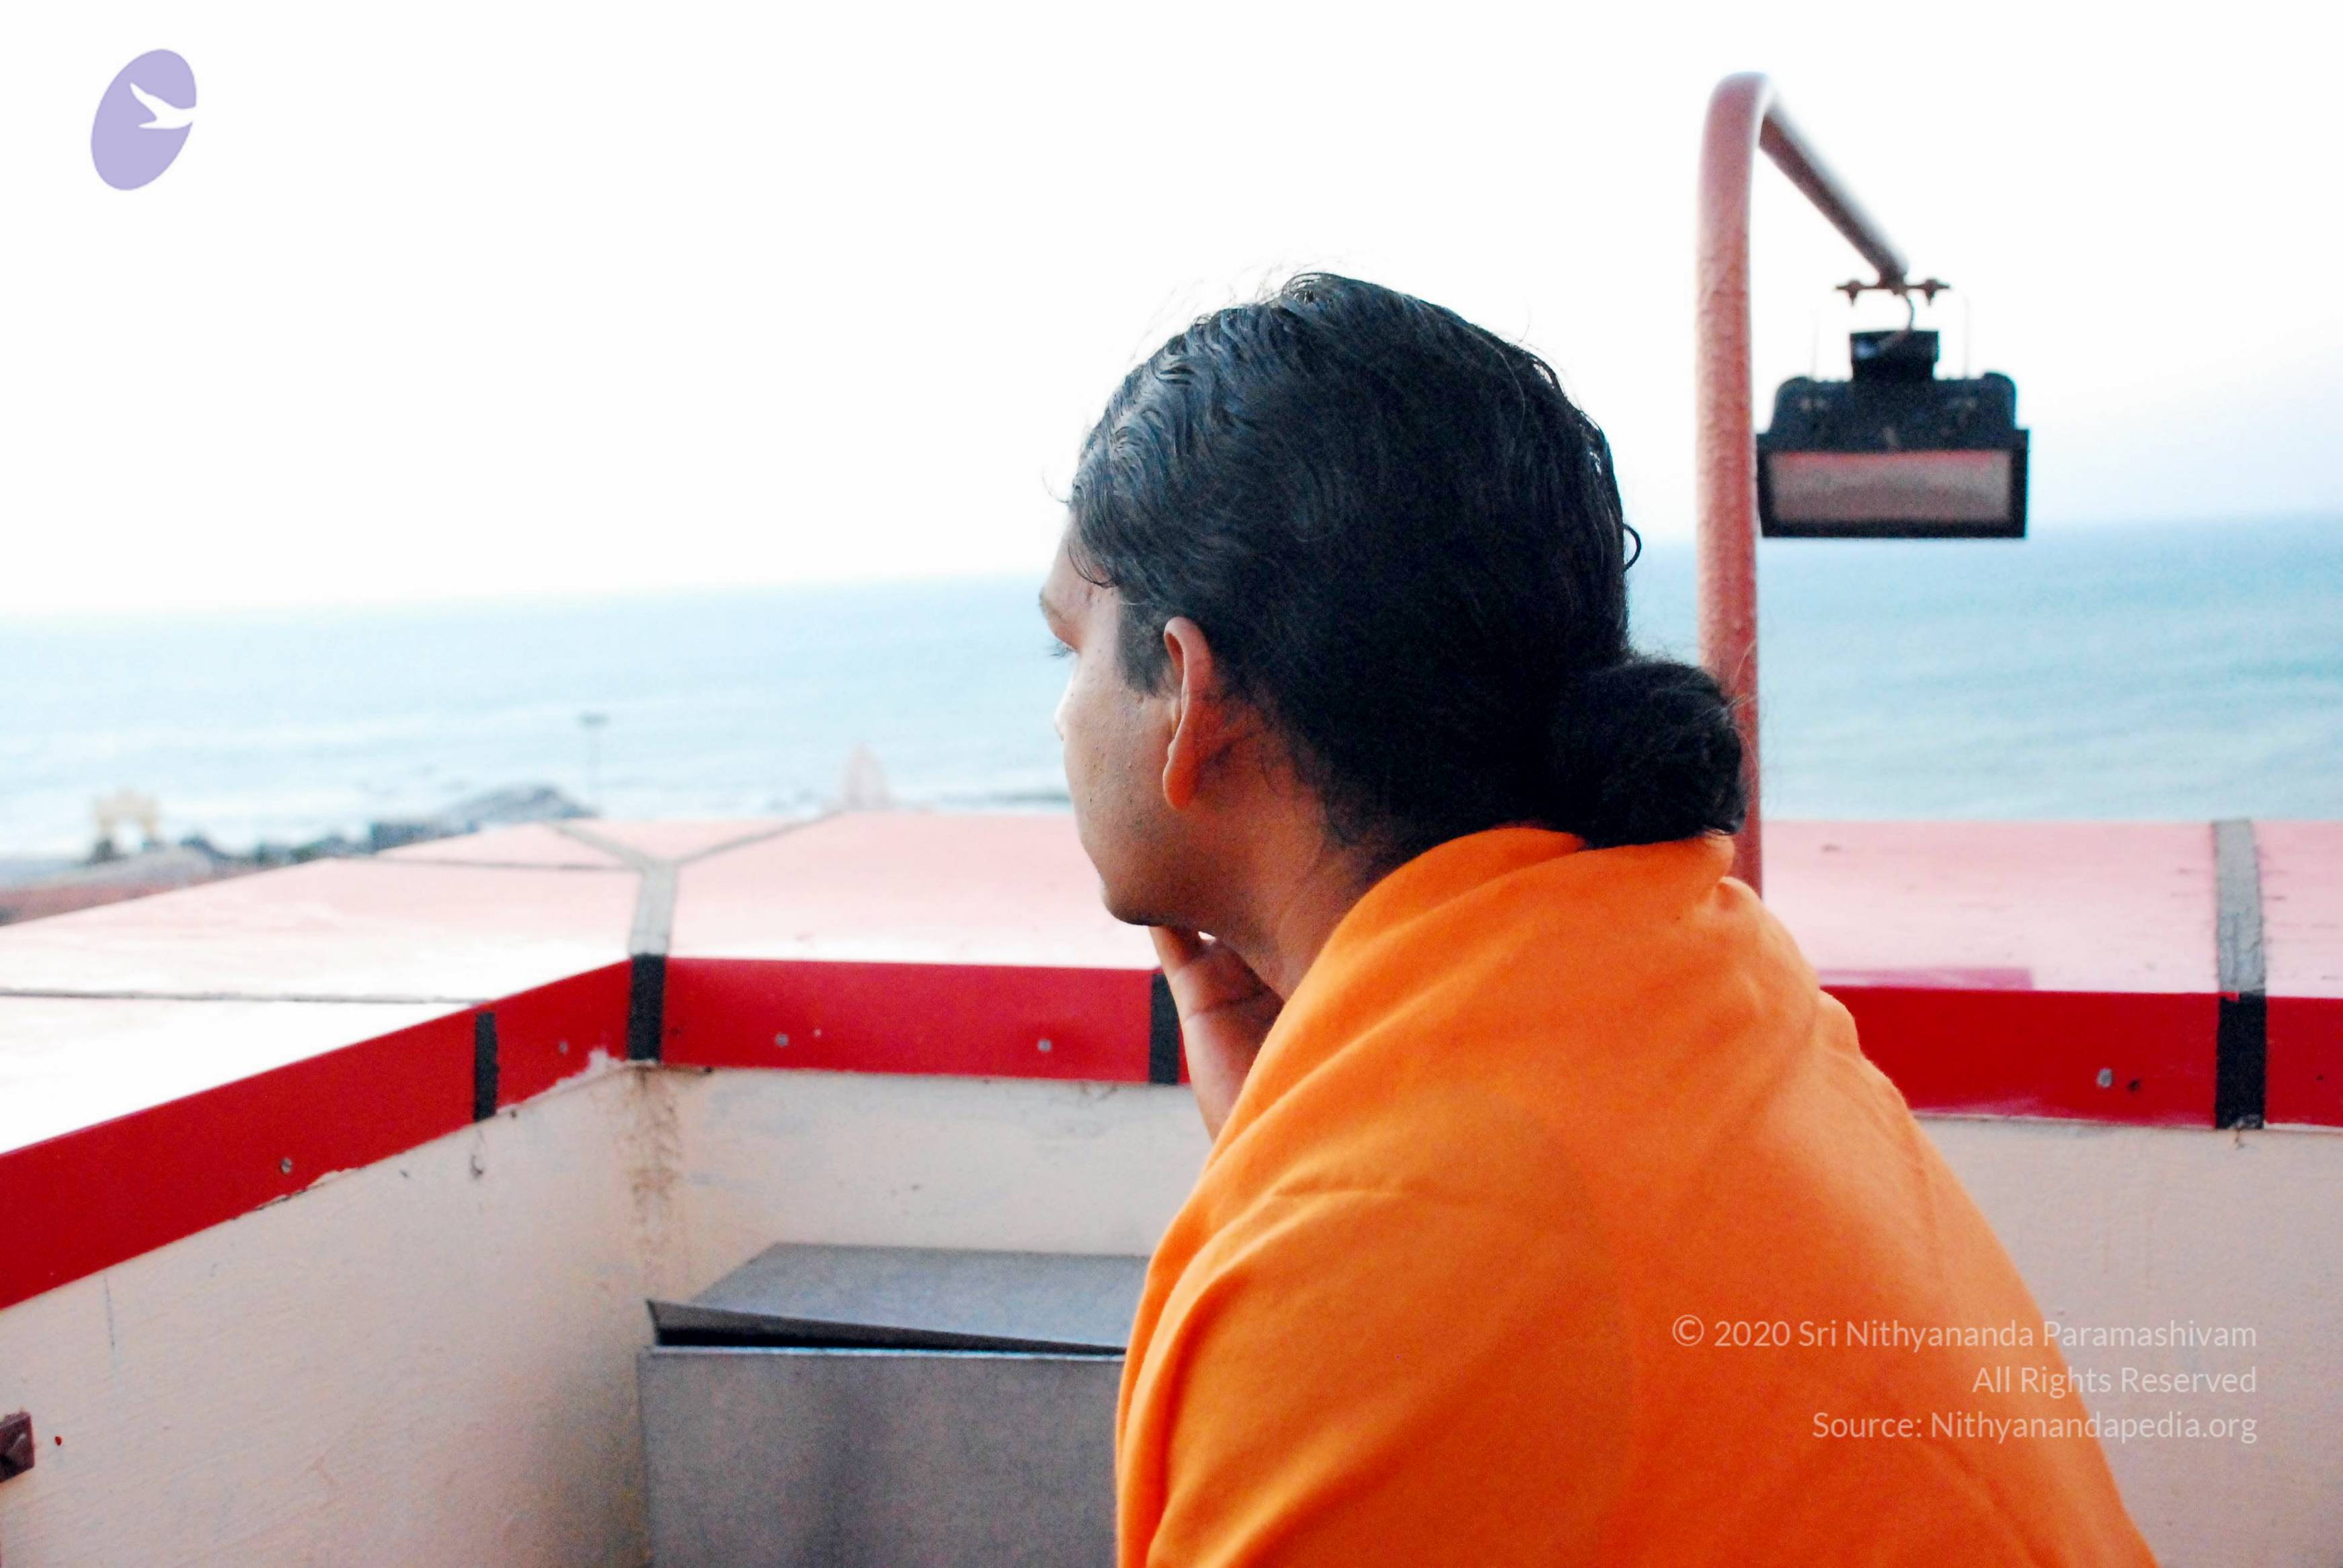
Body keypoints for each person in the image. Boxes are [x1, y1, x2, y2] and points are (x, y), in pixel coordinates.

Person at [1037, 274, 2157, 1566]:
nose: (1062, 715)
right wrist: (1282, 1140)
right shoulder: (1702, 974)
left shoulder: (1386, 1248)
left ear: (1191, 695)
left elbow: (1437, 1279)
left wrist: (1323, 1203)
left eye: (1069, 648)